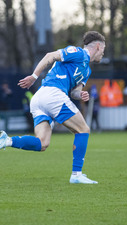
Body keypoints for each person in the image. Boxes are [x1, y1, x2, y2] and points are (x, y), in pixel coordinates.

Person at [0, 31, 105, 184]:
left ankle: (6, 140)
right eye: (103, 49)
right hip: (52, 94)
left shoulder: (87, 70)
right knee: (83, 130)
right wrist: (34, 76)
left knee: (42, 143)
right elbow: (50, 55)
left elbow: (74, 92)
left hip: (40, 100)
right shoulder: (78, 53)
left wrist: (79, 95)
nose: (103, 53)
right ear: (97, 46)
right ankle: (76, 175)